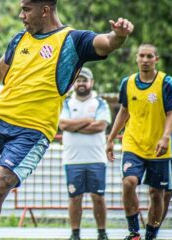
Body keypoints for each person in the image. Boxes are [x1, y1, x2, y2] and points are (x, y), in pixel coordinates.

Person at [0, 0, 134, 239]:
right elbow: (1, 67)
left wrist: (118, 36)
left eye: (26, 9)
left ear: (45, 10)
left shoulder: (73, 40)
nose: (21, 15)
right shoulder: (20, 39)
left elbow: (106, 42)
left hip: (31, 132)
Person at [106, 43, 172, 240]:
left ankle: (151, 235)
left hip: (158, 147)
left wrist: (165, 137)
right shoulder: (127, 83)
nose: (145, 60)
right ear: (136, 58)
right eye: (142, 56)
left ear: (156, 59)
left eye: (149, 56)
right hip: (133, 144)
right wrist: (110, 139)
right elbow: (123, 111)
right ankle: (134, 232)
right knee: (129, 182)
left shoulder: (167, 83)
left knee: (156, 193)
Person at [59, 67, 111, 240]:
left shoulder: (100, 102)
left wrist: (75, 126)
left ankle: (102, 232)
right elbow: (63, 125)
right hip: (72, 160)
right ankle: (75, 234)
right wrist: (89, 121)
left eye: (84, 80)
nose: (81, 83)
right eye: (78, 80)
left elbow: (101, 126)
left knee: (98, 197)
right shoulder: (66, 102)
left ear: (92, 83)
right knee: (75, 198)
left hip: (96, 159)